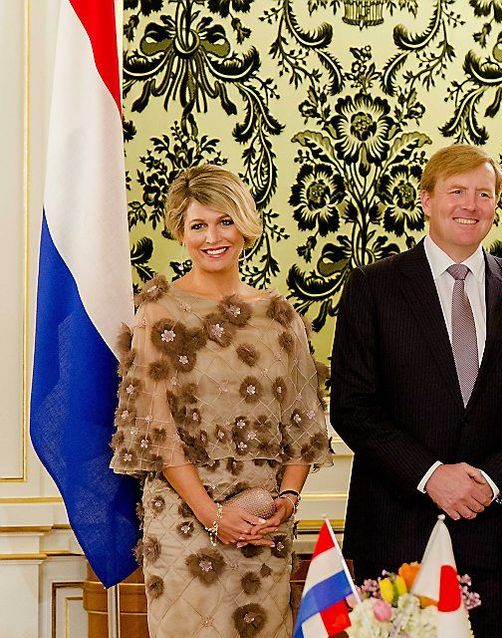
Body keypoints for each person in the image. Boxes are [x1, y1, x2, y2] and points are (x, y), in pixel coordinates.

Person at [330, 144, 502, 638]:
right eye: (457, 191)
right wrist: (430, 475)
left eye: (484, 194)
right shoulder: (372, 288)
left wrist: (489, 479)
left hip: (490, 530)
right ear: (426, 200)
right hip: (395, 528)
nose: (470, 204)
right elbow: (352, 407)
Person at [109, 164, 333, 637]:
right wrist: (213, 516)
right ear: (182, 233)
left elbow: (304, 426)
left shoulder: (279, 316)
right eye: (198, 225)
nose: (213, 236)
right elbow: (156, 430)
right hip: (185, 529)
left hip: (264, 526)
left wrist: (287, 500)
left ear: (245, 227)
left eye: (224, 221)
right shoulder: (157, 312)